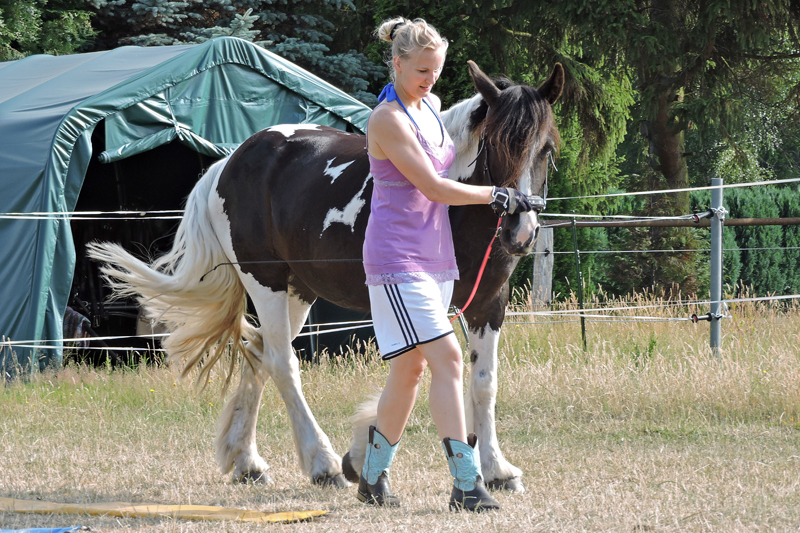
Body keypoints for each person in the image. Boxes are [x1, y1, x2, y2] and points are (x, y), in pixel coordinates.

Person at [359, 17, 534, 512]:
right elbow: (433, 188)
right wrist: (496, 195)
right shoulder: (387, 121)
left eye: (435, 70)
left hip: (437, 259)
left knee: (409, 371)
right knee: (450, 360)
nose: (429, 80)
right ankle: (465, 484)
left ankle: (372, 479)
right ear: (395, 64)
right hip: (397, 259)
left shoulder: (432, 108)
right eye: (420, 70)